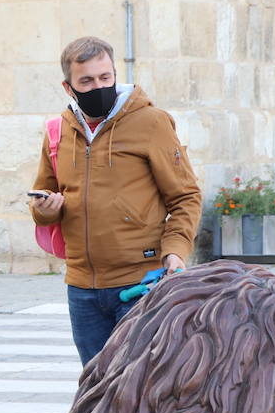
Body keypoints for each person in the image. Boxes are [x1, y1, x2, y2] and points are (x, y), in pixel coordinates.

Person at [28, 36, 203, 365]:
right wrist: (45, 211)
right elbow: (42, 196)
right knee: (95, 392)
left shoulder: (151, 122)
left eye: (105, 78)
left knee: (143, 391)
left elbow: (185, 196)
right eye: (87, 81)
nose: (98, 87)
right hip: (82, 288)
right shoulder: (58, 131)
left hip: (140, 284)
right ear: (69, 87)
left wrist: (176, 251)